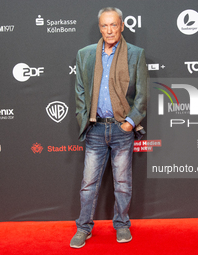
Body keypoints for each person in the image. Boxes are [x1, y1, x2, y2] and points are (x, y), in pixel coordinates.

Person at [70, 7, 148, 249]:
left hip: (121, 130)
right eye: (104, 26)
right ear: (100, 28)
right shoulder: (85, 55)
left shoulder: (135, 54)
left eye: (114, 25)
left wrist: (129, 123)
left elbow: (143, 96)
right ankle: (83, 228)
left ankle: (122, 224)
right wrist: (85, 119)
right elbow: (80, 91)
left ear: (122, 26)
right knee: (87, 184)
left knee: (123, 182)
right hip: (95, 129)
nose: (109, 30)